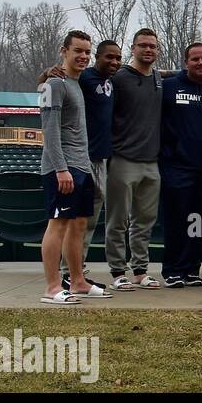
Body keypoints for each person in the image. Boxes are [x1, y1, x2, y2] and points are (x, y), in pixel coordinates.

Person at [37, 31, 110, 304]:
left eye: (87, 52)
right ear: (63, 51)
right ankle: (52, 287)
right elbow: (50, 131)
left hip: (82, 165)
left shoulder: (76, 83)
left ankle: (77, 281)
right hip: (63, 168)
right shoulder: (53, 84)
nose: (83, 56)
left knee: (79, 225)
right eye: (77, 50)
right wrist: (60, 169)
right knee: (58, 224)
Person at [158, 43, 202, 288]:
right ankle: (172, 269)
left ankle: (192, 269)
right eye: (195, 59)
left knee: (197, 221)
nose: (200, 63)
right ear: (186, 62)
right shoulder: (169, 86)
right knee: (176, 221)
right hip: (175, 167)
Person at [105, 28, 163, 290]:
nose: (148, 50)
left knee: (145, 221)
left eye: (152, 46)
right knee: (117, 221)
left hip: (151, 162)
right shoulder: (118, 78)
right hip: (123, 159)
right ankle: (117, 272)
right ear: (133, 48)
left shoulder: (160, 80)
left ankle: (140, 270)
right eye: (143, 46)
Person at [70, 41, 120, 288]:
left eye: (118, 58)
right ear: (97, 57)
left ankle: (77, 268)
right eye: (109, 57)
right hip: (83, 157)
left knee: (89, 219)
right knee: (78, 217)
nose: (114, 62)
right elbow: (55, 79)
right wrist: (47, 72)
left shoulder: (112, 80)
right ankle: (68, 270)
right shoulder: (84, 77)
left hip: (101, 158)